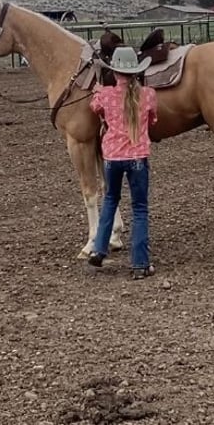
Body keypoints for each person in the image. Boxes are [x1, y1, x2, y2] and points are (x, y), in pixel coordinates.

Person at [88, 45, 158, 280]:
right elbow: (153, 119)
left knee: (110, 201)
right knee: (139, 209)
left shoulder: (105, 95)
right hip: (137, 158)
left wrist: (98, 91)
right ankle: (140, 263)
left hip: (112, 159)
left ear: (115, 72)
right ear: (136, 72)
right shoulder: (148, 95)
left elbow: (94, 108)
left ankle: (99, 248)